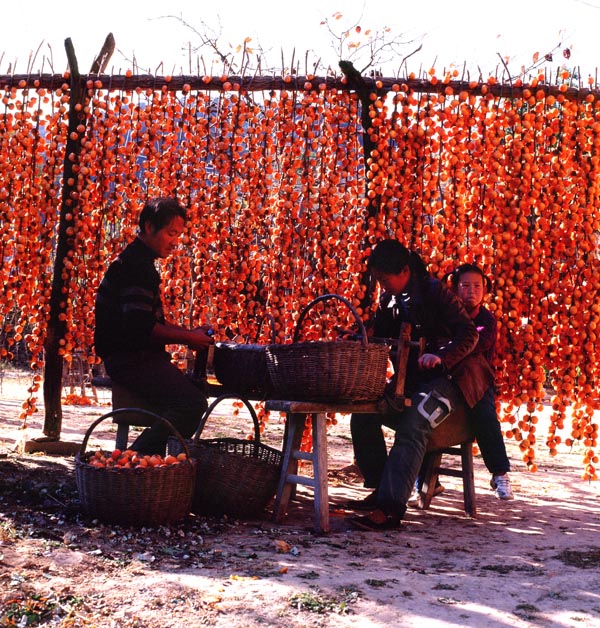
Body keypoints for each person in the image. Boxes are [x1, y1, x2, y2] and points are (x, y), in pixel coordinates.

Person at [348, 239, 494, 530]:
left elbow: (468, 334)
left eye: (384, 279)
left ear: (404, 271)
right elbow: (380, 333)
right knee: (363, 415)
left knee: (414, 423)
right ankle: (381, 489)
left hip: (453, 382)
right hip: (412, 382)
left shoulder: (434, 291)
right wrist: (357, 337)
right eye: (377, 280)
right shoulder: (388, 299)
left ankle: (390, 510)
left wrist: (440, 356)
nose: (382, 285)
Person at [94, 197, 213, 455]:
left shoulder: (137, 261)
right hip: (129, 360)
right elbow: (141, 328)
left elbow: (144, 320)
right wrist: (187, 337)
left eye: (178, 235)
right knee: (192, 404)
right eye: (171, 233)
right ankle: (135, 461)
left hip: (134, 357)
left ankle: (148, 461)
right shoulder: (137, 266)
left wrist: (187, 334)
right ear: (149, 227)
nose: (174, 242)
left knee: (190, 394)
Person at [444, 263, 513, 500]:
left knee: (485, 415)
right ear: (455, 289)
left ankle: (500, 473)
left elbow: (474, 346)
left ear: (485, 290)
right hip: (449, 379)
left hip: (477, 382)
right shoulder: (446, 316)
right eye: (465, 286)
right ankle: (421, 476)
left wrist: (448, 350)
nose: (471, 291)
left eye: (477, 286)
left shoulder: (487, 320)